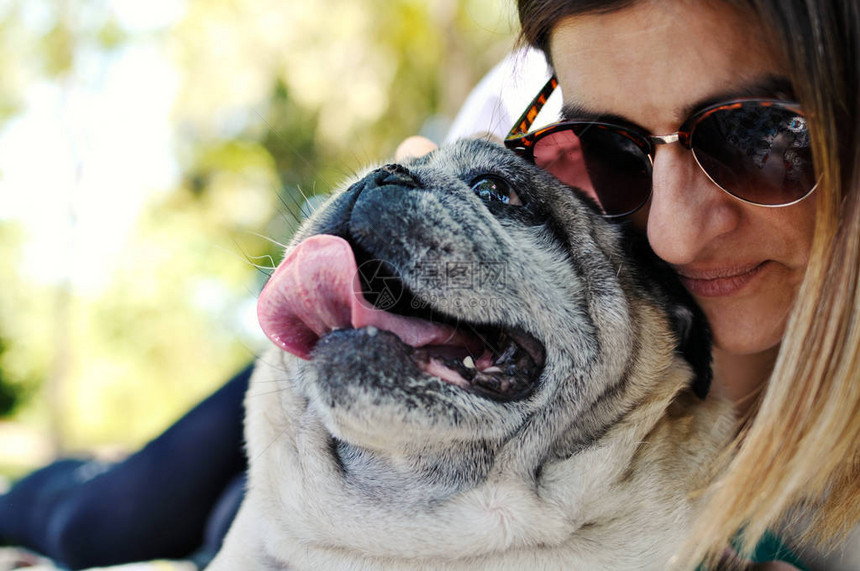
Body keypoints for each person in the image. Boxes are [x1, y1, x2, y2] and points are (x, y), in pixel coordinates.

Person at [3, 0, 859, 568]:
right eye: (611, 149)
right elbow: (437, 229)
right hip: (390, 349)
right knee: (97, 524)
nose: (669, 230)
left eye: (762, 140)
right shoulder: (522, 110)